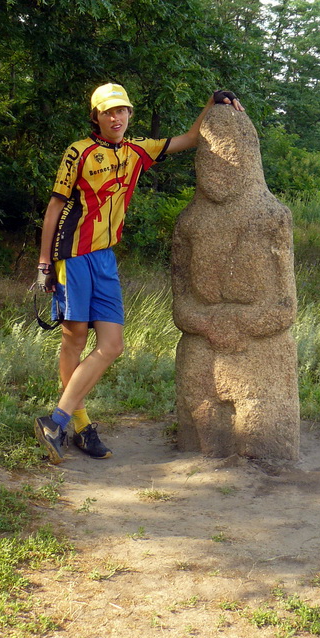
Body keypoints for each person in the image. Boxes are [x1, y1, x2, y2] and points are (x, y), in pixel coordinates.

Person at [34, 82, 242, 464]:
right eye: (108, 112)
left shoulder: (137, 150)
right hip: (72, 254)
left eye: (122, 110)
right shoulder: (78, 152)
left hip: (104, 258)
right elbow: (54, 207)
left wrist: (212, 102)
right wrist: (44, 263)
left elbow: (191, 138)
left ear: (130, 113)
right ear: (96, 117)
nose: (116, 118)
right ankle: (79, 424)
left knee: (112, 345)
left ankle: (56, 420)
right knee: (74, 339)